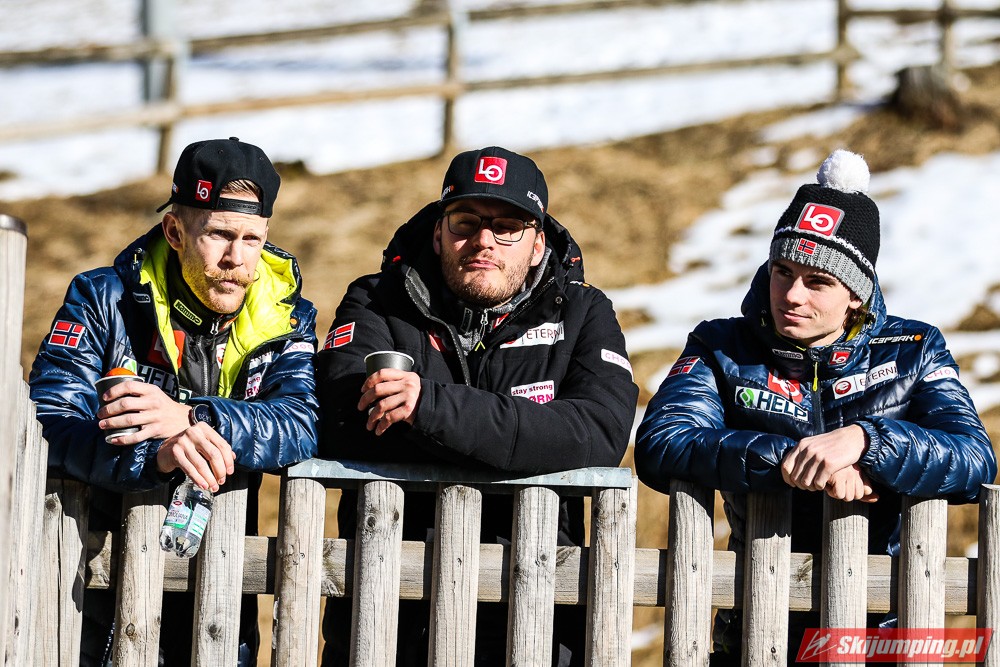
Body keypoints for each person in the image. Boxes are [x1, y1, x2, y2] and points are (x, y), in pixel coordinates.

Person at [634, 149, 997, 664]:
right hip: (757, 624)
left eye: (818, 281)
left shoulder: (914, 349)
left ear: (857, 294)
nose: (792, 295)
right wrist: (797, 461)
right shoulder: (721, 345)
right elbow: (662, 442)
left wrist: (867, 442)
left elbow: (974, 459)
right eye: (782, 271)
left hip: (881, 630)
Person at [316, 146, 639, 665]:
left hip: (534, 616)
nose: (484, 240)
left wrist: (429, 407)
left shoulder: (582, 312)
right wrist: (523, 442)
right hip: (388, 613)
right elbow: (342, 420)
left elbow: (598, 434)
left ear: (538, 242)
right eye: (466, 222)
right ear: (439, 232)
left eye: (507, 227)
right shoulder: (376, 301)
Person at [29, 137, 320, 666]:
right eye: (219, 234)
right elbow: (47, 422)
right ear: (174, 231)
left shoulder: (287, 314)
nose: (236, 259)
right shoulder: (102, 298)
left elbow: (299, 424)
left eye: (252, 239)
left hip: (223, 584)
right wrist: (155, 455)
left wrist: (190, 417)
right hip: (93, 576)